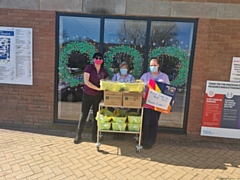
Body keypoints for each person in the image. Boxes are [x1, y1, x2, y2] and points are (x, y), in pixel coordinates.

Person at [74, 52, 109, 144]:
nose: (98, 59)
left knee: (96, 117)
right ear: (93, 59)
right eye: (96, 58)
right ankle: (78, 135)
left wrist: (105, 82)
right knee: (83, 115)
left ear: (102, 60)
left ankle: (94, 136)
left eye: (100, 58)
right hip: (87, 95)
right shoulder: (89, 68)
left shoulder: (103, 71)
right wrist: (97, 88)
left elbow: (107, 80)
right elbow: (86, 82)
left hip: (98, 97)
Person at [140, 57, 170, 149]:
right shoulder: (145, 76)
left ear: (158, 65)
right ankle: (144, 140)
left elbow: (168, 90)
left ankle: (151, 141)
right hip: (147, 103)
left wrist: (170, 100)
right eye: (151, 65)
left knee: (154, 123)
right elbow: (139, 87)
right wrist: (142, 93)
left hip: (158, 105)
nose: (152, 67)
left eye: (154, 65)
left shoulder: (164, 76)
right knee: (145, 123)